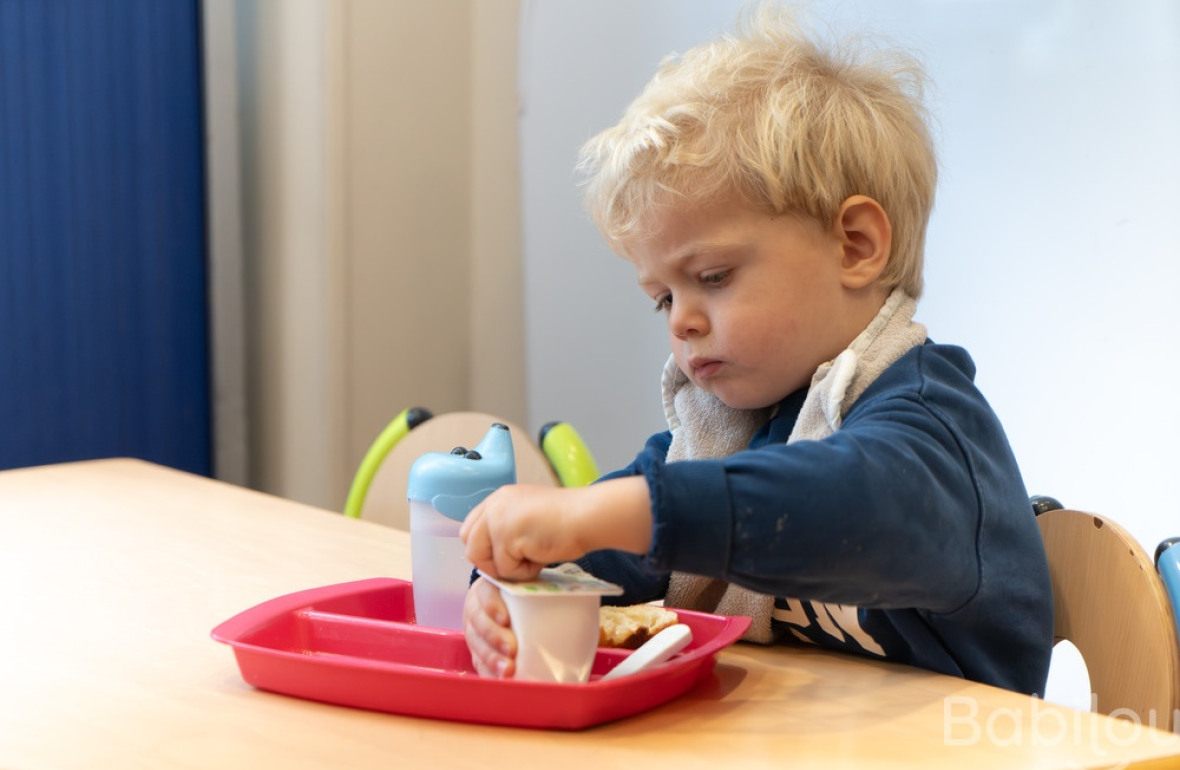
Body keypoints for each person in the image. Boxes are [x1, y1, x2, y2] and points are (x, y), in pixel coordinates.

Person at [459, 5, 1053, 695]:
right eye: (663, 298)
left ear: (856, 246)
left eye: (711, 278)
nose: (681, 321)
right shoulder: (730, 436)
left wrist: (612, 511)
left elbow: (844, 506)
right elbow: (599, 559)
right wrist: (513, 585)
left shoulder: (929, 426)